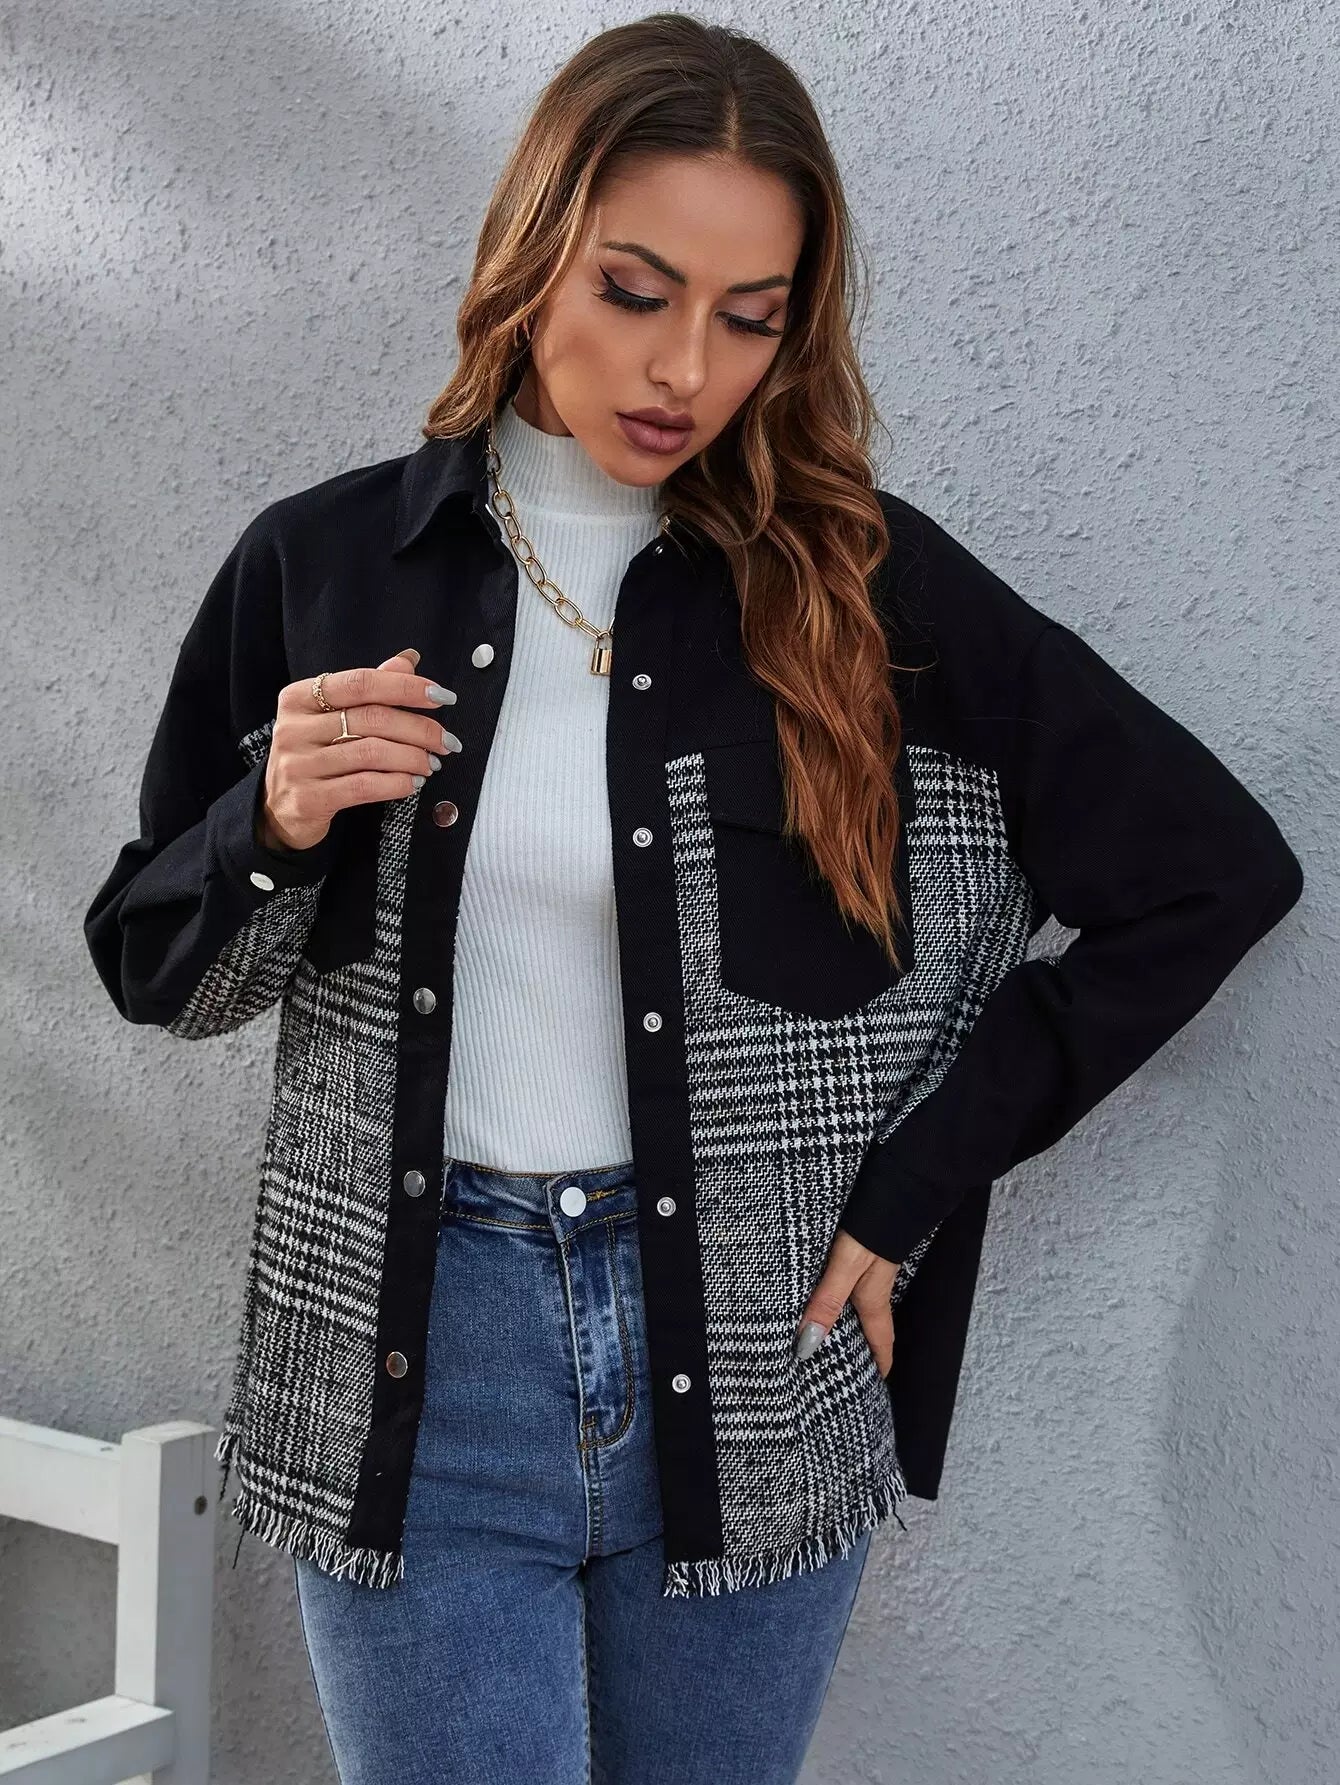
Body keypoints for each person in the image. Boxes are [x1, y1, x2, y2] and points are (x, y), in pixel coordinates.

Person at [83, 14, 1305, 1785]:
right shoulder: (327, 565)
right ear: (534, 256)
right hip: (419, 1372)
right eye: (636, 290)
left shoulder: (862, 588)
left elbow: (1209, 871)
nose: (686, 368)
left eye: (751, 317)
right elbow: (153, 969)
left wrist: (917, 1180)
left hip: (757, 1357)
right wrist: (272, 819)